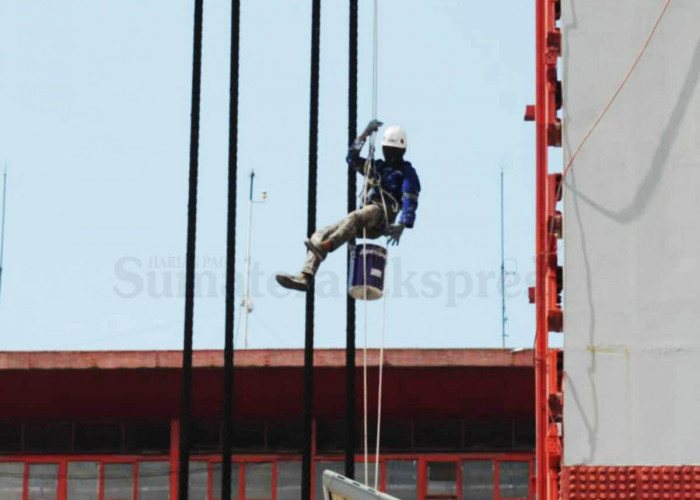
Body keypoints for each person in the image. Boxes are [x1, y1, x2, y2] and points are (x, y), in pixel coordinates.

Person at [275, 120, 421, 292]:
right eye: (386, 150)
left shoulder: (406, 172)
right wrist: (364, 135)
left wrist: (403, 223)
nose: (388, 154)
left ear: (401, 151)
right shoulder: (377, 167)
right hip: (364, 218)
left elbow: (410, 198)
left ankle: (327, 246)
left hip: (382, 214)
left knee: (354, 217)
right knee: (320, 233)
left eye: (392, 151)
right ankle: (306, 276)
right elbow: (351, 159)